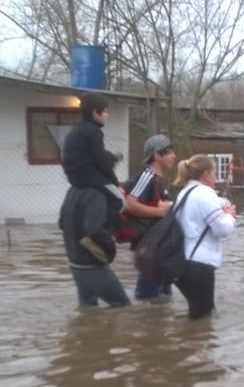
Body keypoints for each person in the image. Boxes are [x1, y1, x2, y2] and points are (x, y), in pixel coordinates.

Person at [59, 150, 130, 308]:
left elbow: (62, 223)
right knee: (123, 307)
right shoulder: (96, 194)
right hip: (92, 266)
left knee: (88, 309)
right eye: (112, 170)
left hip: (75, 263)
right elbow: (95, 228)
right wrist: (110, 247)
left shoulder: (73, 189)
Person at [172, 154, 237, 319]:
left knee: (200, 318)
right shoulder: (204, 194)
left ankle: (187, 342)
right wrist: (229, 215)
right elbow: (223, 229)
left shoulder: (185, 193)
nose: (215, 177)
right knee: (203, 319)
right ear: (206, 174)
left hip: (182, 263)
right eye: (214, 173)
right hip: (199, 265)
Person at [121, 134, 176, 300]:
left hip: (158, 248)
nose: (174, 156)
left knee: (162, 300)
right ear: (157, 155)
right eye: (169, 152)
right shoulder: (147, 177)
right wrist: (161, 212)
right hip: (148, 249)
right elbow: (130, 204)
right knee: (147, 299)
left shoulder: (158, 180)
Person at [62, 91, 125, 213]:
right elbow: (100, 160)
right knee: (120, 201)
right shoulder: (94, 132)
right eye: (105, 111)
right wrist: (114, 182)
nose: (107, 115)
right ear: (95, 113)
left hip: (74, 178)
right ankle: (104, 229)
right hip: (89, 178)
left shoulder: (76, 130)